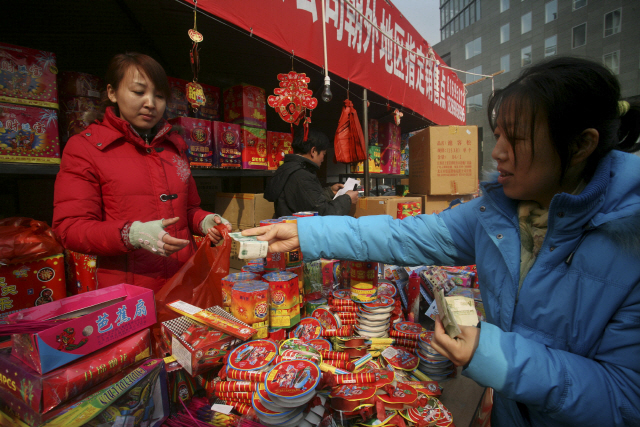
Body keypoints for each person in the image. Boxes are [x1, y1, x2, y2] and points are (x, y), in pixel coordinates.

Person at [244, 57, 640, 426]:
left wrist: (494, 356)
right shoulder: (500, 211)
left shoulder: (630, 239)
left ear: (581, 145)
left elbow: (626, 396)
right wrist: (307, 231)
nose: (498, 153)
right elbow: (406, 235)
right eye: (498, 135)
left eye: (516, 139)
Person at [53, 52, 231, 293]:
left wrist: (206, 221)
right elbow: (69, 227)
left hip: (184, 281)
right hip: (129, 288)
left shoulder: (174, 147)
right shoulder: (85, 148)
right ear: (112, 92)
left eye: (159, 96)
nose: (150, 103)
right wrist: (131, 234)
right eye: (138, 92)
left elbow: (187, 210)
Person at [264, 127, 358, 217]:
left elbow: (306, 199)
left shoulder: (288, 168)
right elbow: (323, 214)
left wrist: (330, 192)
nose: (323, 159)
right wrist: (347, 199)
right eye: (323, 154)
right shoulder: (301, 175)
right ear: (313, 151)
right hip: (298, 231)